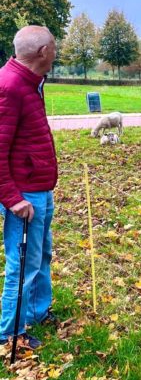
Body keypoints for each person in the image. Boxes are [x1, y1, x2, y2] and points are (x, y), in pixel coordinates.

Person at [0, 26, 58, 350]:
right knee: (21, 264)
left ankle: (35, 312)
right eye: (54, 46)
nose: (55, 52)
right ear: (42, 52)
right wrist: (12, 199)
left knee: (41, 256)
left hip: (40, 189)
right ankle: (9, 333)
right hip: (24, 197)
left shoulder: (32, 82)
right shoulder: (9, 86)